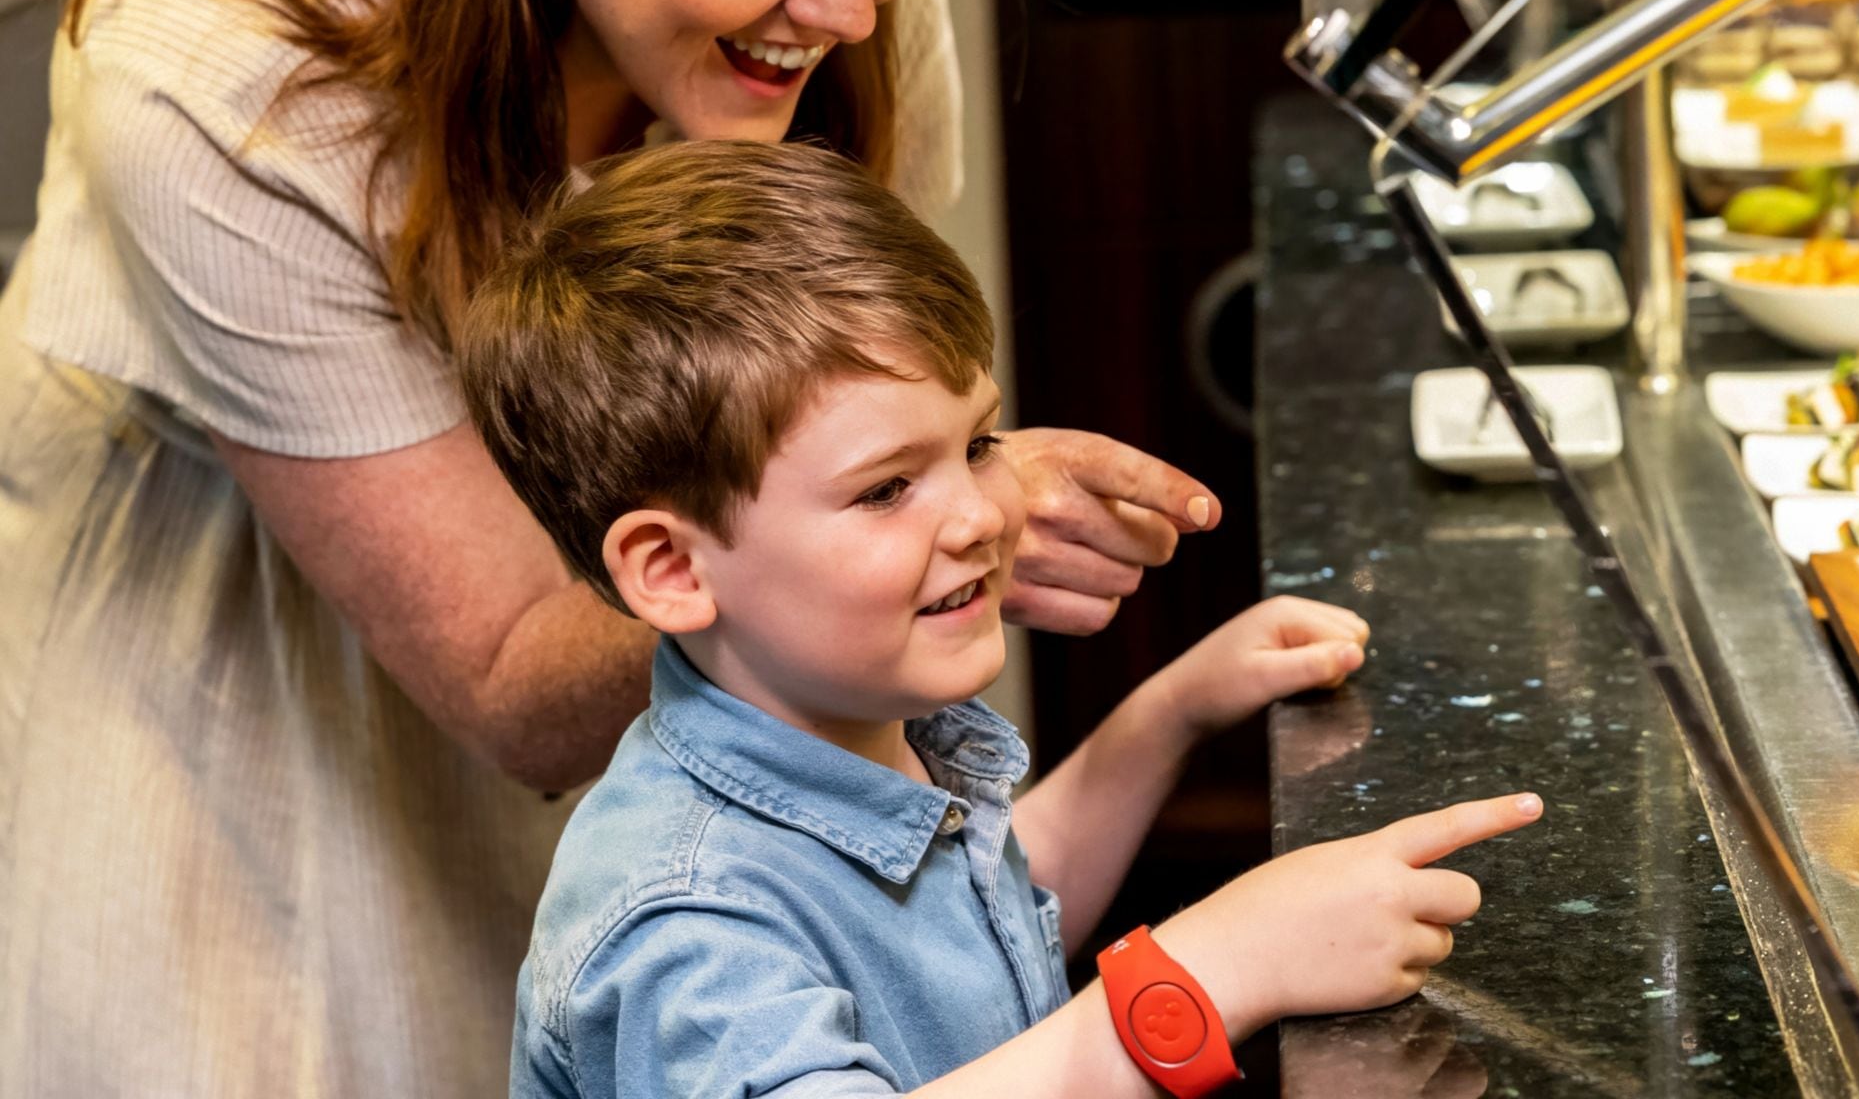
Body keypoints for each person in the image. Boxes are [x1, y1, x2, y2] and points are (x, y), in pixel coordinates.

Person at [0, 0, 1213, 1092]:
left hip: (696, 679)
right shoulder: (226, 65)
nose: (852, 7)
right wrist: (938, 526)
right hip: (244, 713)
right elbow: (514, 676)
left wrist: (913, 506)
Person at [462, 140, 1539, 1097]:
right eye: (887, 489)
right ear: (670, 569)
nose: (983, 513)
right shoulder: (682, 926)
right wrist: (1210, 971)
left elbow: (985, 926)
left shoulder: (844, 729)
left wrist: (1165, 715)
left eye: (976, 444)